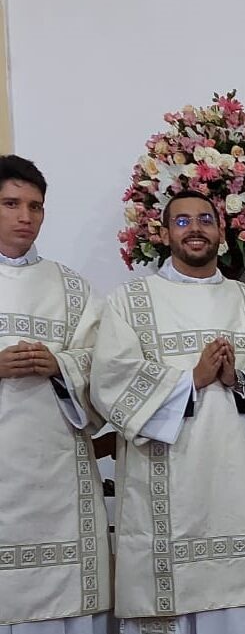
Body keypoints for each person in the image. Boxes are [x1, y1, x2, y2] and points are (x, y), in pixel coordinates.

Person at [90, 190, 245, 633]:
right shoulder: (131, 302)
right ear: (163, 233)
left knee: (242, 602)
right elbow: (110, 379)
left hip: (240, 489)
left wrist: (239, 380)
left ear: (221, 232)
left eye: (205, 219)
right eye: (182, 222)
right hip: (166, 491)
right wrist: (192, 379)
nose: (194, 228)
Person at [0, 155, 111, 633]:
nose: (25, 217)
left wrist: (61, 365)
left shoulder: (72, 288)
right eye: (11, 203)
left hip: (57, 474)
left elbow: (104, 366)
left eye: (36, 206)